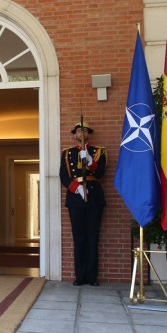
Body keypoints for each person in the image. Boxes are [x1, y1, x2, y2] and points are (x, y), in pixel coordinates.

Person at [60, 121, 107, 286]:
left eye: (84, 130)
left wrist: (89, 161)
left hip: (94, 197)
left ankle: (92, 277)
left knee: (93, 238)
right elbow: (64, 176)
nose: (81, 133)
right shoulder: (67, 154)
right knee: (79, 238)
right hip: (75, 198)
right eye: (78, 130)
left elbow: (100, 172)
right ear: (74, 135)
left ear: (89, 134)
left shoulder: (98, 152)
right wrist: (77, 188)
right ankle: (80, 276)